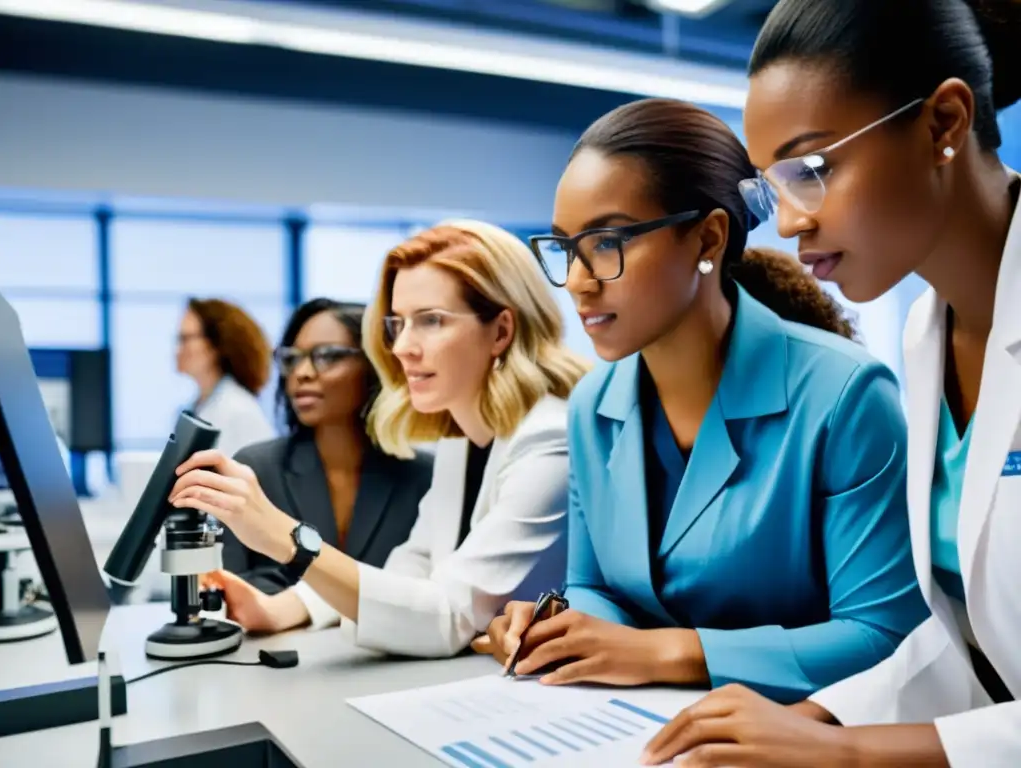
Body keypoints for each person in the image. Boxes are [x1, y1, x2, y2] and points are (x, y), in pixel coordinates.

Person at [639, 1, 1021, 766]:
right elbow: (968, 643)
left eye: (811, 170)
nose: (786, 224)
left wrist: (853, 755)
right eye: (771, 187)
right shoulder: (926, 335)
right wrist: (818, 716)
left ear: (944, 122)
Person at [477, 98, 928, 706]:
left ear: (708, 238)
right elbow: (595, 586)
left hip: (798, 735)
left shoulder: (845, 396)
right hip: (638, 725)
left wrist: (672, 651)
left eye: (607, 242)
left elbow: (885, 636)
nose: (580, 281)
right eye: (565, 248)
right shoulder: (592, 406)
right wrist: (559, 626)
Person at [169, 221, 589, 657]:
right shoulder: (460, 441)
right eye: (398, 324)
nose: (402, 347)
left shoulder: (548, 439)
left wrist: (283, 538)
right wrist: (281, 610)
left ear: (501, 332)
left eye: (431, 321)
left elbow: (448, 616)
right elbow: (412, 570)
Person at [200, 299, 433, 635]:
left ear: (376, 364)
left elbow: (426, 592)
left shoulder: (423, 476)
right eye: (292, 359)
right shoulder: (256, 469)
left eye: (328, 356)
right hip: (276, 670)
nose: (303, 373)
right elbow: (230, 593)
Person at [176, 297, 275, 457]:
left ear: (216, 346)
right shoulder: (200, 406)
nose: (177, 350)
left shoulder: (240, 411)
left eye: (185, 339)